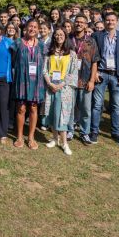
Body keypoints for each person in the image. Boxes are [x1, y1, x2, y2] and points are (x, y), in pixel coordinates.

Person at [90, 12, 119, 147]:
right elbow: (92, 56)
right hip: (101, 74)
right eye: (107, 20)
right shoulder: (97, 35)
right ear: (104, 21)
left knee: (115, 106)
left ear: (117, 21)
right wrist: (94, 73)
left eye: (113, 20)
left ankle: (116, 133)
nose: (110, 22)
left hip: (116, 76)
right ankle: (94, 131)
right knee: (97, 105)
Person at [11, 20, 46, 150]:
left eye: (35, 27)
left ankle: (31, 137)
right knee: (21, 108)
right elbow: (13, 60)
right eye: (30, 26)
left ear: (38, 30)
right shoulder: (18, 43)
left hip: (36, 82)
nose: (32, 29)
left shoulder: (42, 45)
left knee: (33, 108)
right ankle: (19, 137)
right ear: (25, 28)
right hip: (21, 80)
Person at [43, 27, 78, 155]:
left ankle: (64, 143)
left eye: (61, 34)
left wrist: (62, 84)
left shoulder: (71, 54)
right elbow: (44, 70)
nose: (59, 37)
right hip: (51, 87)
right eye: (56, 35)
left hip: (65, 89)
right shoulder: (49, 52)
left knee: (62, 115)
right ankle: (54, 138)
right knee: (52, 112)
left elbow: (73, 72)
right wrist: (50, 83)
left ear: (65, 36)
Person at [70, 15, 99, 145]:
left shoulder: (91, 41)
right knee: (70, 107)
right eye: (77, 22)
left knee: (86, 108)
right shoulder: (68, 39)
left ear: (86, 25)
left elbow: (94, 62)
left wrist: (92, 80)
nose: (79, 24)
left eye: (82, 22)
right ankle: (69, 129)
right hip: (70, 80)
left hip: (85, 79)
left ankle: (84, 132)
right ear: (74, 23)